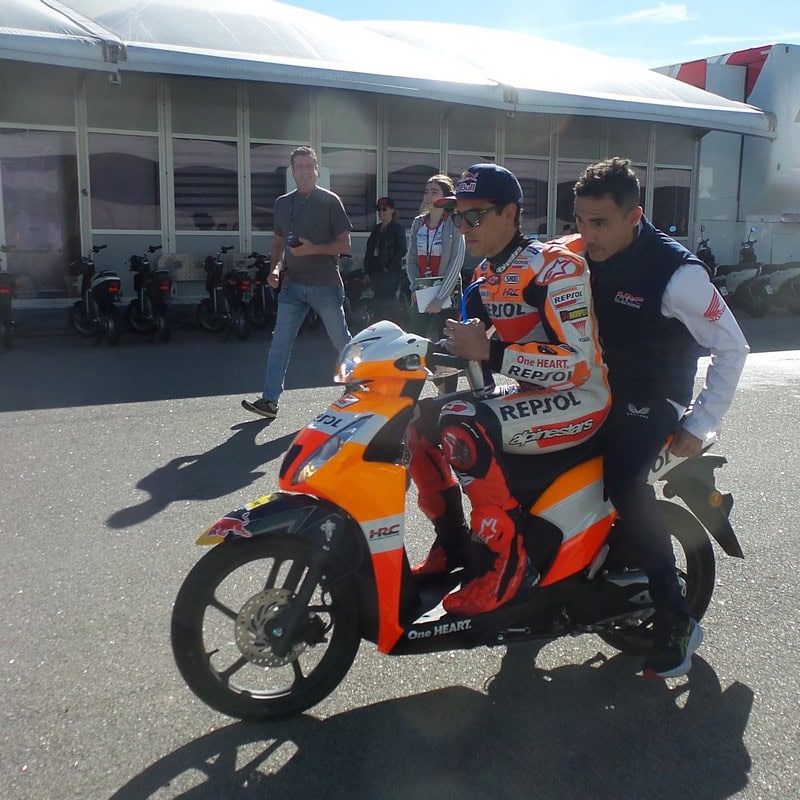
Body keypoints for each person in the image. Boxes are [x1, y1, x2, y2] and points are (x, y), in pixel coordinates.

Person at [571, 156, 749, 679]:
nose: (586, 234)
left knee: (625, 482)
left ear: (635, 216)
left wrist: (698, 424)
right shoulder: (584, 253)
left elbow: (733, 347)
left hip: (654, 396)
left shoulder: (679, 275)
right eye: (579, 221)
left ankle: (676, 618)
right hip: (597, 389)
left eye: (599, 222)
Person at [407, 164, 611, 616]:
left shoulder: (556, 268)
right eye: (458, 216)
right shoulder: (482, 279)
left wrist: (492, 353)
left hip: (584, 399)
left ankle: (509, 564)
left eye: (475, 216)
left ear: (510, 214)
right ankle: (453, 545)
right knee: (418, 423)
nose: (463, 227)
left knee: (464, 425)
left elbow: (578, 364)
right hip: (533, 397)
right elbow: (476, 363)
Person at [243, 146, 352, 420]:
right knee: (280, 342)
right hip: (292, 285)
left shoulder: (330, 201)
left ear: (317, 170)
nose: (303, 172)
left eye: (308, 167)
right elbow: (278, 242)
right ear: (292, 172)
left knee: (342, 341)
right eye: (298, 167)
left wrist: (312, 249)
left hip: (325, 285)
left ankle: (359, 387)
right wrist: (276, 269)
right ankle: (269, 401)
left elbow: (345, 244)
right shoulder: (282, 203)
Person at [363, 197, 407, 323]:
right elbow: (369, 251)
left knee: (388, 301)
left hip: (391, 273)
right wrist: (367, 271)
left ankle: (390, 325)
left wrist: (389, 266)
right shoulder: (376, 229)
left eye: (384, 209)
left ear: (392, 210)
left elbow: (402, 249)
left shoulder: (397, 228)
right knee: (378, 300)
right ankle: (378, 325)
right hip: (376, 272)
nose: (381, 212)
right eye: (379, 210)